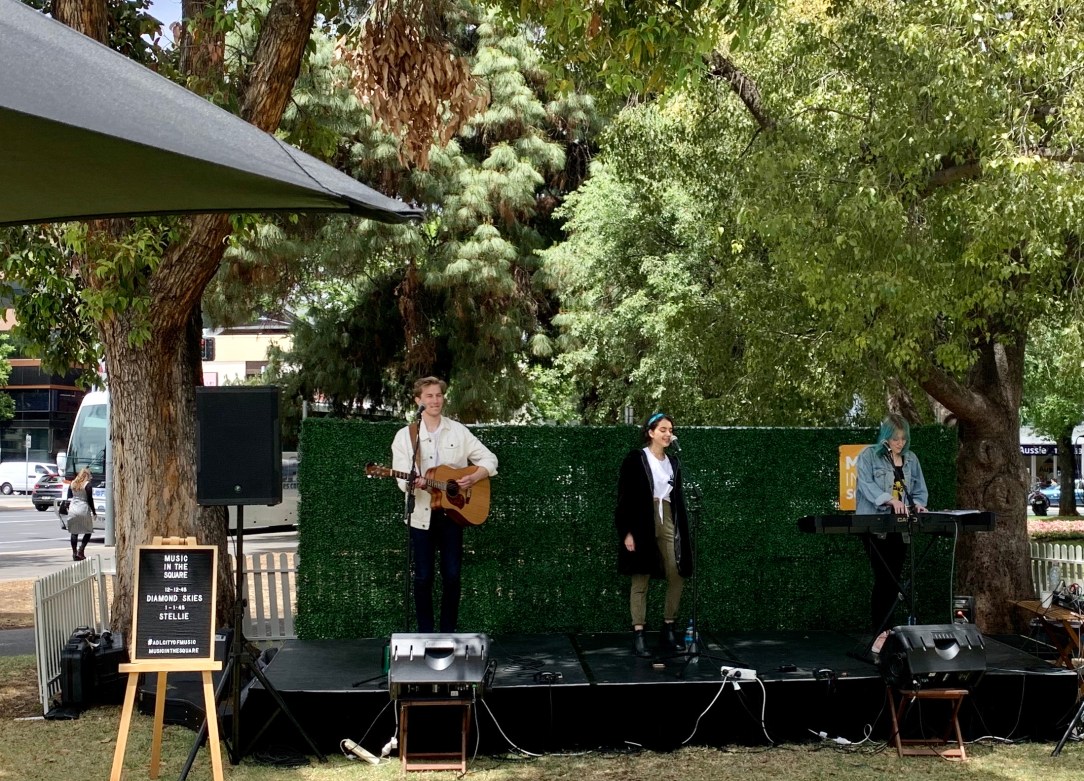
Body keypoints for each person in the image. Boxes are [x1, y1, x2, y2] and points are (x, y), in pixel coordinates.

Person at [391, 376, 498, 633]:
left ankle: (448, 633)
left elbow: (489, 458)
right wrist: (411, 483)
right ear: (418, 401)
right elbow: (399, 474)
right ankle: (426, 635)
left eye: (438, 395)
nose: (435, 400)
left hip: (453, 514)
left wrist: (476, 475)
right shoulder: (406, 436)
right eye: (428, 396)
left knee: (452, 576)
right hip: (420, 515)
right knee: (423, 577)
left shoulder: (458, 431)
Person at [615, 413, 693, 658]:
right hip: (641, 520)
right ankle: (639, 634)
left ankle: (668, 628)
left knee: (677, 572)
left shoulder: (674, 462)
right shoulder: (636, 459)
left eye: (670, 430)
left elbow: (676, 496)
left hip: (668, 516)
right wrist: (627, 532)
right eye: (663, 429)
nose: (668, 434)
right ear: (650, 432)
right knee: (641, 579)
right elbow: (624, 496)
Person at [855, 413, 928, 635]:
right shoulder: (868, 456)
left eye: (904, 439)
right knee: (884, 578)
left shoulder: (911, 459)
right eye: (896, 439)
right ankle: (881, 631)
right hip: (874, 526)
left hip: (900, 528)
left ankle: (890, 631)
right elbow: (866, 486)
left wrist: (918, 505)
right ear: (885, 437)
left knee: (894, 581)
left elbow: (919, 490)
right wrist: (890, 500)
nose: (900, 443)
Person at [65, 467, 97, 561]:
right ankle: (81, 550)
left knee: (74, 532)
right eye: (89, 475)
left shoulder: (73, 484)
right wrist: (94, 512)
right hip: (83, 508)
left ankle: (74, 553)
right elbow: (90, 500)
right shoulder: (87, 485)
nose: (90, 477)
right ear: (86, 475)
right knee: (88, 531)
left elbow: (69, 496)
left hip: (73, 509)